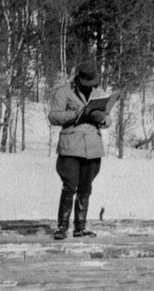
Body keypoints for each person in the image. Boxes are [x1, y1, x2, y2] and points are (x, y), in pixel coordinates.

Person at [47, 60, 109, 240]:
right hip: (71, 148)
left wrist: (102, 119)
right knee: (69, 187)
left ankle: (80, 228)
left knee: (85, 188)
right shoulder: (63, 92)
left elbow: (108, 119)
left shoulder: (99, 94)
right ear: (79, 78)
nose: (91, 86)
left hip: (92, 148)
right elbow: (53, 116)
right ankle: (62, 227)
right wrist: (75, 114)